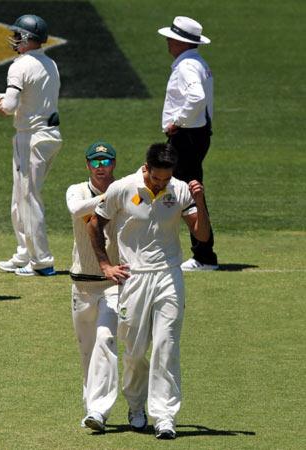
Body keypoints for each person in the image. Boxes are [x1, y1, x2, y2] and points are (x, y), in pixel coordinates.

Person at [89, 143, 211, 439]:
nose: (161, 184)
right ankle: (135, 406)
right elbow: (95, 224)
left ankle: (164, 415)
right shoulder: (122, 188)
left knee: (166, 345)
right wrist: (105, 265)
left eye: (166, 179)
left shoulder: (179, 189)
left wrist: (200, 201)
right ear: (146, 167)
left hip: (169, 275)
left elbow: (202, 235)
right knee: (134, 350)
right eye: (156, 179)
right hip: (133, 278)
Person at [0, 14, 62, 277]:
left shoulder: (20, 65)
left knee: (29, 198)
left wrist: (1, 103)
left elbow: (10, 106)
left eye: (17, 35)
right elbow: (34, 98)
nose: (14, 39)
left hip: (32, 137)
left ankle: (42, 262)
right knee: (19, 197)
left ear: (26, 38)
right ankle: (24, 252)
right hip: (46, 134)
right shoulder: (50, 63)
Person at [66, 141, 124, 432]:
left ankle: (99, 411)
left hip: (112, 284)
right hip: (82, 284)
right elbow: (77, 209)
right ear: (88, 165)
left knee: (106, 341)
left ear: (114, 163)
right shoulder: (77, 190)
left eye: (106, 161)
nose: (101, 167)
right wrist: (112, 195)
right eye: (96, 162)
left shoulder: (125, 192)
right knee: (87, 351)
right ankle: (91, 406)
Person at [158, 16, 218, 271]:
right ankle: (201, 252)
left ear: (181, 42)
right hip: (196, 135)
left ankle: (203, 255)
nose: (168, 42)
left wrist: (177, 123)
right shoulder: (196, 63)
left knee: (181, 188)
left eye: (172, 38)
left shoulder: (186, 67)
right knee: (181, 187)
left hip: (187, 137)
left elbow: (197, 97)